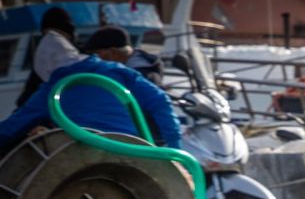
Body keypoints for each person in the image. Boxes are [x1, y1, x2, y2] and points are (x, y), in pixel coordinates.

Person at [0, 26, 180, 152]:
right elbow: (161, 101)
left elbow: (12, 127)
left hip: (80, 158)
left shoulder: (52, 87)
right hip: (131, 150)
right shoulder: (118, 70)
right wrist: (174, 148)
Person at [15, 6, 86, 108]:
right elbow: (26, 102)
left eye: (58, 36)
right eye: (47, 35)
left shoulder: (85, 61)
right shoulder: (41, 68)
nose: (50, 41)